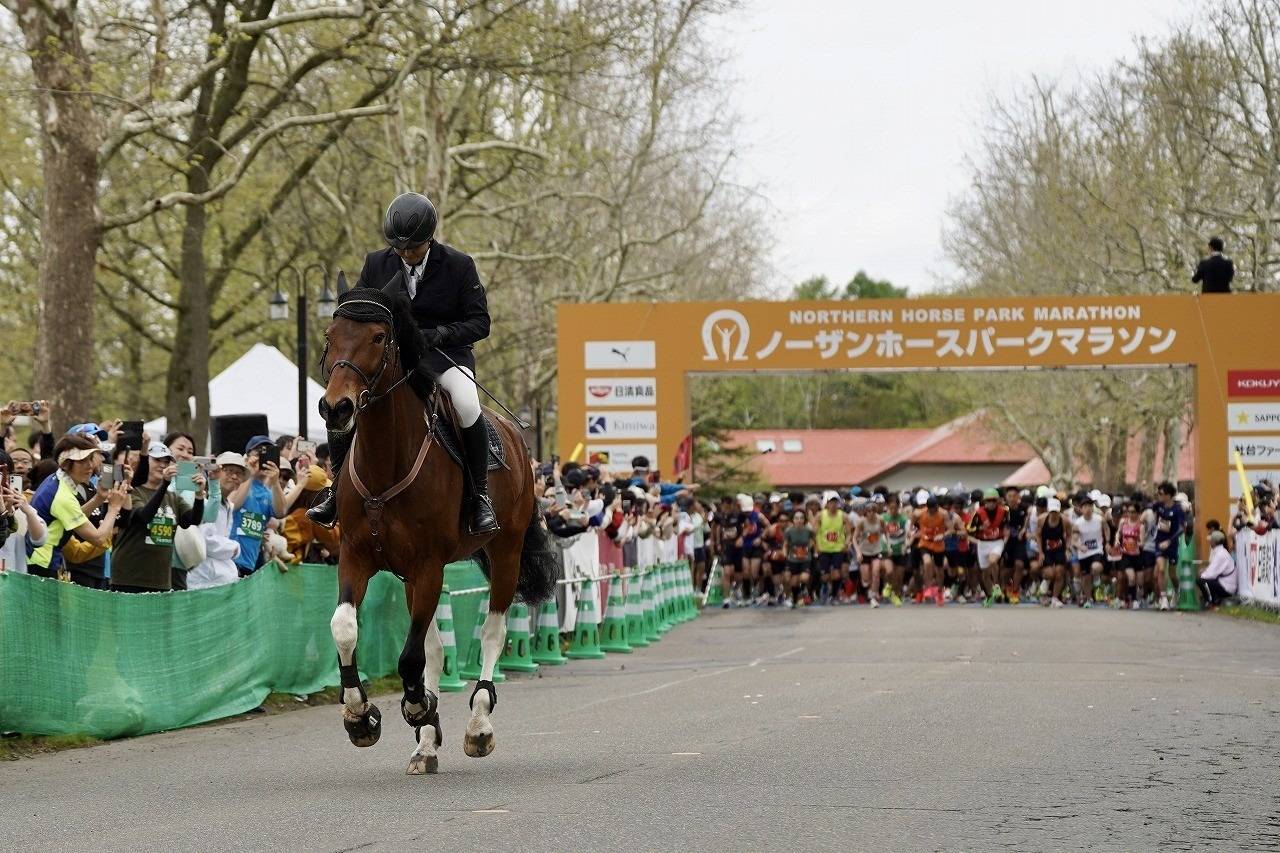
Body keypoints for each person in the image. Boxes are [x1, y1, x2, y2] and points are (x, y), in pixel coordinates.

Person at [309, 191, 498, 535]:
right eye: (398, 247)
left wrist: (440, 333)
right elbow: (358, 315)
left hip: (443, 358)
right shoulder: (376, 264)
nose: (404, 254)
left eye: (411, 248)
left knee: (468, 404)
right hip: (391, 362)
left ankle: (479, 496)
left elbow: (479, 322)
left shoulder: (459, 265)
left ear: (429, 239)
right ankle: (336, 489)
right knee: (343, 402)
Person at [28, 434, 129, 579]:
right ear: (65, 464)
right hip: (42, 564)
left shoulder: (58, 480)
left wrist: (99, 498)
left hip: (42, 561)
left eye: (90, 459)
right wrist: (114, 508)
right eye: (81, 461)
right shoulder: (62, 496)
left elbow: (74, 515)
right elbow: (99, 539)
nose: (89, 466)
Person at [110, 442, 206, 593]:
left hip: (160, 580)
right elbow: (144, 517)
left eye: (166, 462)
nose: (162, 465)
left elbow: (192, 521)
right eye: (157, 460)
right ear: (145, 461)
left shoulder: (173, 497)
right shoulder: (131, 491)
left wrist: (199, 495)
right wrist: (164, 485)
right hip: (128, 577)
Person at [188, 452, 247, 590]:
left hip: (217, 579)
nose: (234, 476)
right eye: (229, 471)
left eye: (239, 473)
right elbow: (205, 540)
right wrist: (234, 548)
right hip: (201, 578)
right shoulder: (204, 499)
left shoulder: (228, 505)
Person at [230, 436, 285, 576]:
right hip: (230, 561)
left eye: (266, 453)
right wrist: (249, 474)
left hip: (250, 564)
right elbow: (233, 505)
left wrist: (275, 481)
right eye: (258, 453)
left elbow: (281, 512)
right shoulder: (236, 481)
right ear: (247, 457)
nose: (262, 458)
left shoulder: (268, 491)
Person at [0, 449, 47, 573]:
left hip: (15, 578)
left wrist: (27, 511)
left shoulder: (19, 504)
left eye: (5, 473)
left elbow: (40, 540)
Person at [1198, 529, 1236, 607]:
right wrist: (1204, 571)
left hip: (1227, 587)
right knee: (1204, 579)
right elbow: (1213, 569)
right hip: (1225, 584)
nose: (1209, 542)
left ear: (1214, 542)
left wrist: (1202, 573)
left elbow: (1211, 574)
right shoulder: (1220, 552)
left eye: (1210, 540)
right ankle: (1213, 600)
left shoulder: (1220, 554)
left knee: (1201, 580)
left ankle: (1210, 602)